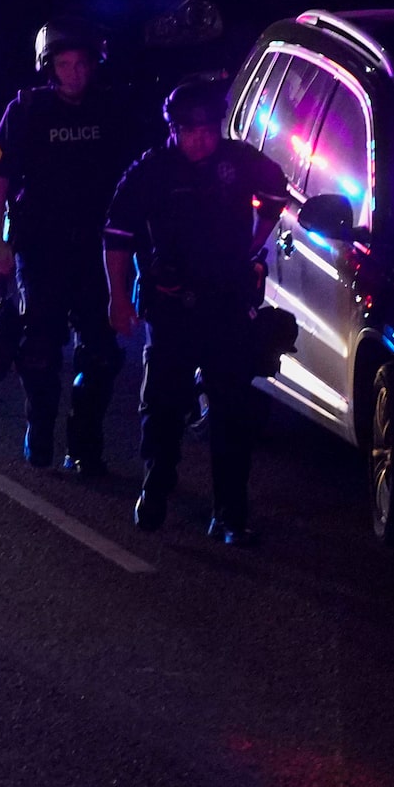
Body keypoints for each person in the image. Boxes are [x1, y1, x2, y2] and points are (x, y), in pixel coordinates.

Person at [104, 78, 279, 542]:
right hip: (170, 307)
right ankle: (156, 486)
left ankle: (230, 513)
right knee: (162, 407)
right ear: (174, 129)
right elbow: (117, 234)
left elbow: (276, 191)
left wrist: (252, 245)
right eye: (189, 130)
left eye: (207, 129)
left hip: (226, 303)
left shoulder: (239, 162)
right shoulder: (152, 170)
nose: (200, 139)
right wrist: (118, 297)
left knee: (232, 411)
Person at [0, 18, 129, 474]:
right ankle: (39, 430)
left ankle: (84, 446)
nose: (73, 73)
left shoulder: (112, 110)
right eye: (64, 64)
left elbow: (140, 182)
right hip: (40, 248)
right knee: (40, 348)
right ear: (49, 66)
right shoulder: (26, 111)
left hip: (97, 249)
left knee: (101, 352)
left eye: (81, 64)